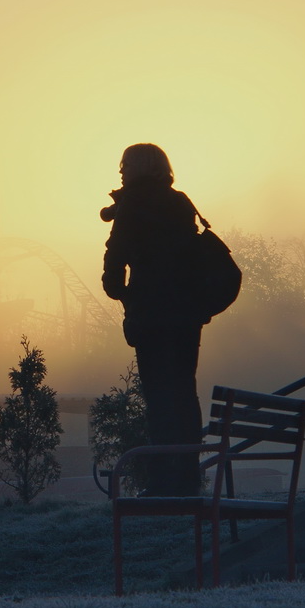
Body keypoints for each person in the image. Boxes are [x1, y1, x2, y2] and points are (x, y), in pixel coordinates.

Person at [101, 143, 206, 497]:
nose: (121, 170)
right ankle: (189, 478)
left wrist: (122, 292)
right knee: (184, 394)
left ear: (141, 168)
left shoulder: (132, 205)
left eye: (126, 164)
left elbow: (114, 262)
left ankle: (163, 482)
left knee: (159, 398)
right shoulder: (180, 203)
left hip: (152, 315)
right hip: (186, 315)